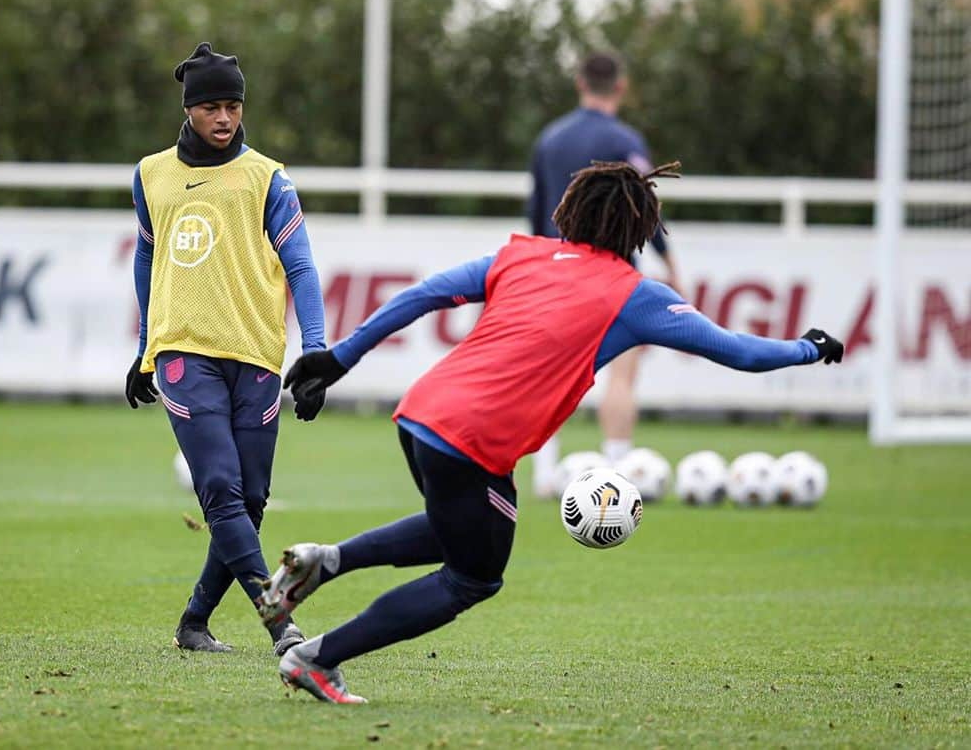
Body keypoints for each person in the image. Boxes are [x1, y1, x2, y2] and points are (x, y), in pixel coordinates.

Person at [255, 160, 844, 704]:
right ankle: (316, 658)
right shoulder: (634, 296)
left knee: (464, 530)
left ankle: (325, 561)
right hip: (472, 441)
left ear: (571, 210)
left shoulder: (522, 255)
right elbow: (738, 351)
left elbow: (423, 294)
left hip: (422, 415)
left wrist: (339, 359)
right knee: (473, 576)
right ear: (638, 229)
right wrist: (807, 348)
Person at [123, 42, 327, 657]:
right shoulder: (151, 174)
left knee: (252, 498)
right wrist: (144, 349)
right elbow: (146, 256)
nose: (224, 118)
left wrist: (315, 353)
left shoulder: (268, 177)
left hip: (258, 356)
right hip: (184, 355)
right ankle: (278, 621)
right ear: (189, 110)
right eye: (211, 107)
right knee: (219, 489)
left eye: (233, 106)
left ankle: (195, 621)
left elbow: (302, 267)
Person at [528, 49, 680, 496]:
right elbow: (643, 211)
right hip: (612, 277)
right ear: (620, 86)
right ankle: (615, 471)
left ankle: (543, 473)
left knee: (549, 376)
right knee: (620, 374)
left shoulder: (550, 140)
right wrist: (670, 264)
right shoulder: (623, 140)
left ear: (579, 83)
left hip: (555, 272)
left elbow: (535, 212)